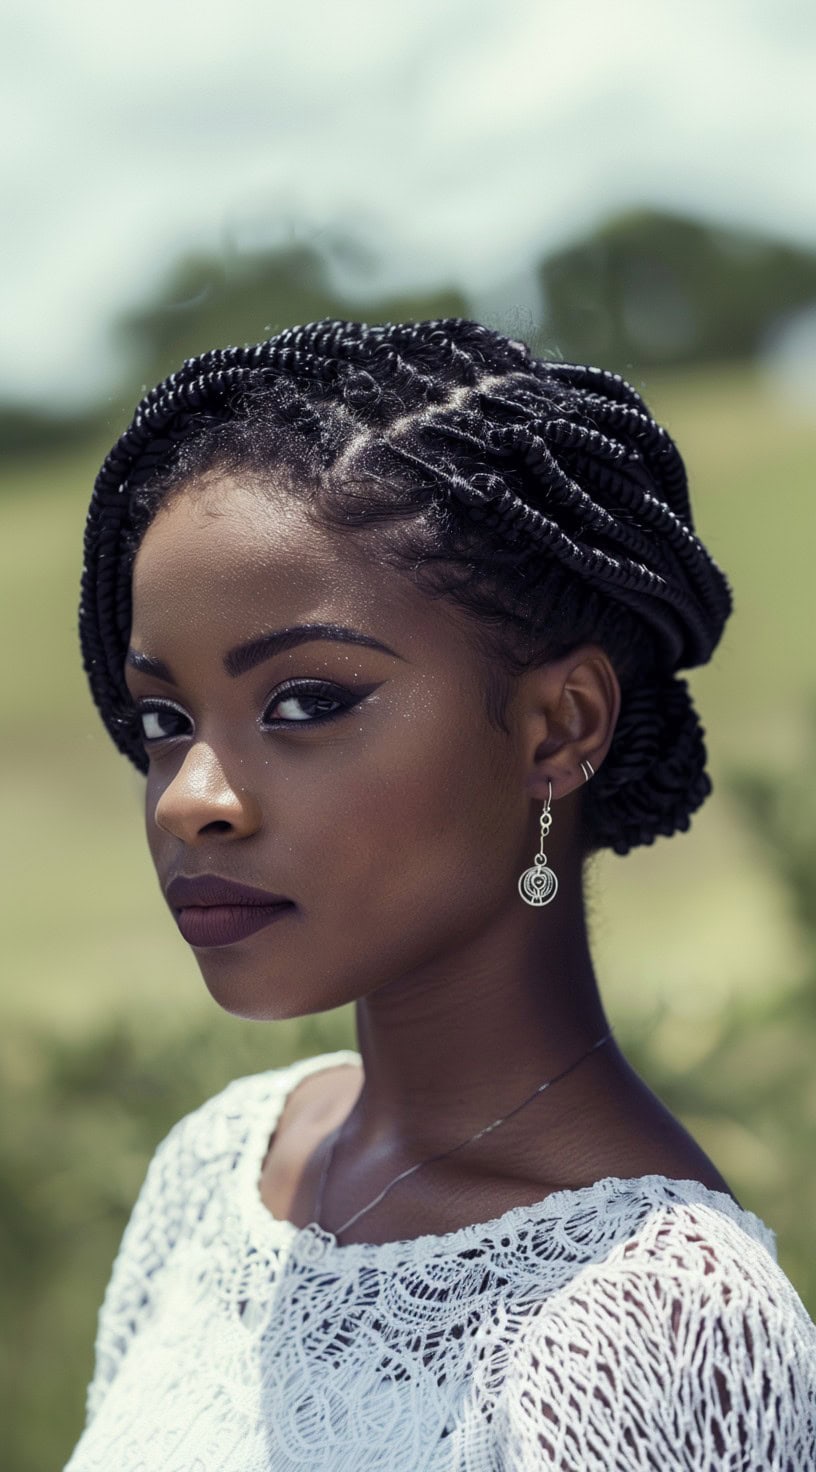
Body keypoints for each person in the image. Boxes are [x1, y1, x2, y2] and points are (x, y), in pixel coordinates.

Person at [66, 318, 815, 1470]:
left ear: (559, 726)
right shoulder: (219, 1167)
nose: (188, 799)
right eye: (166, 719)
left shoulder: (662, 1325)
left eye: (306, 700)